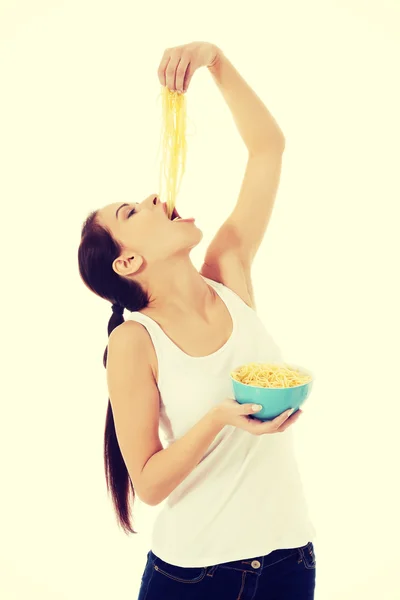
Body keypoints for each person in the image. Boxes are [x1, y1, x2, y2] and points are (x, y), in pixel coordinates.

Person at [78, 42, 316, 600]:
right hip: (196, 577)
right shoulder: (135, 343)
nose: (155, 197)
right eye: (132, 212)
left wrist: (215, 61)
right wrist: (219, 419)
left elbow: (268, 150)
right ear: (129, 262)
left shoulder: (229, 271)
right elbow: (150, 483)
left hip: (290, 559)